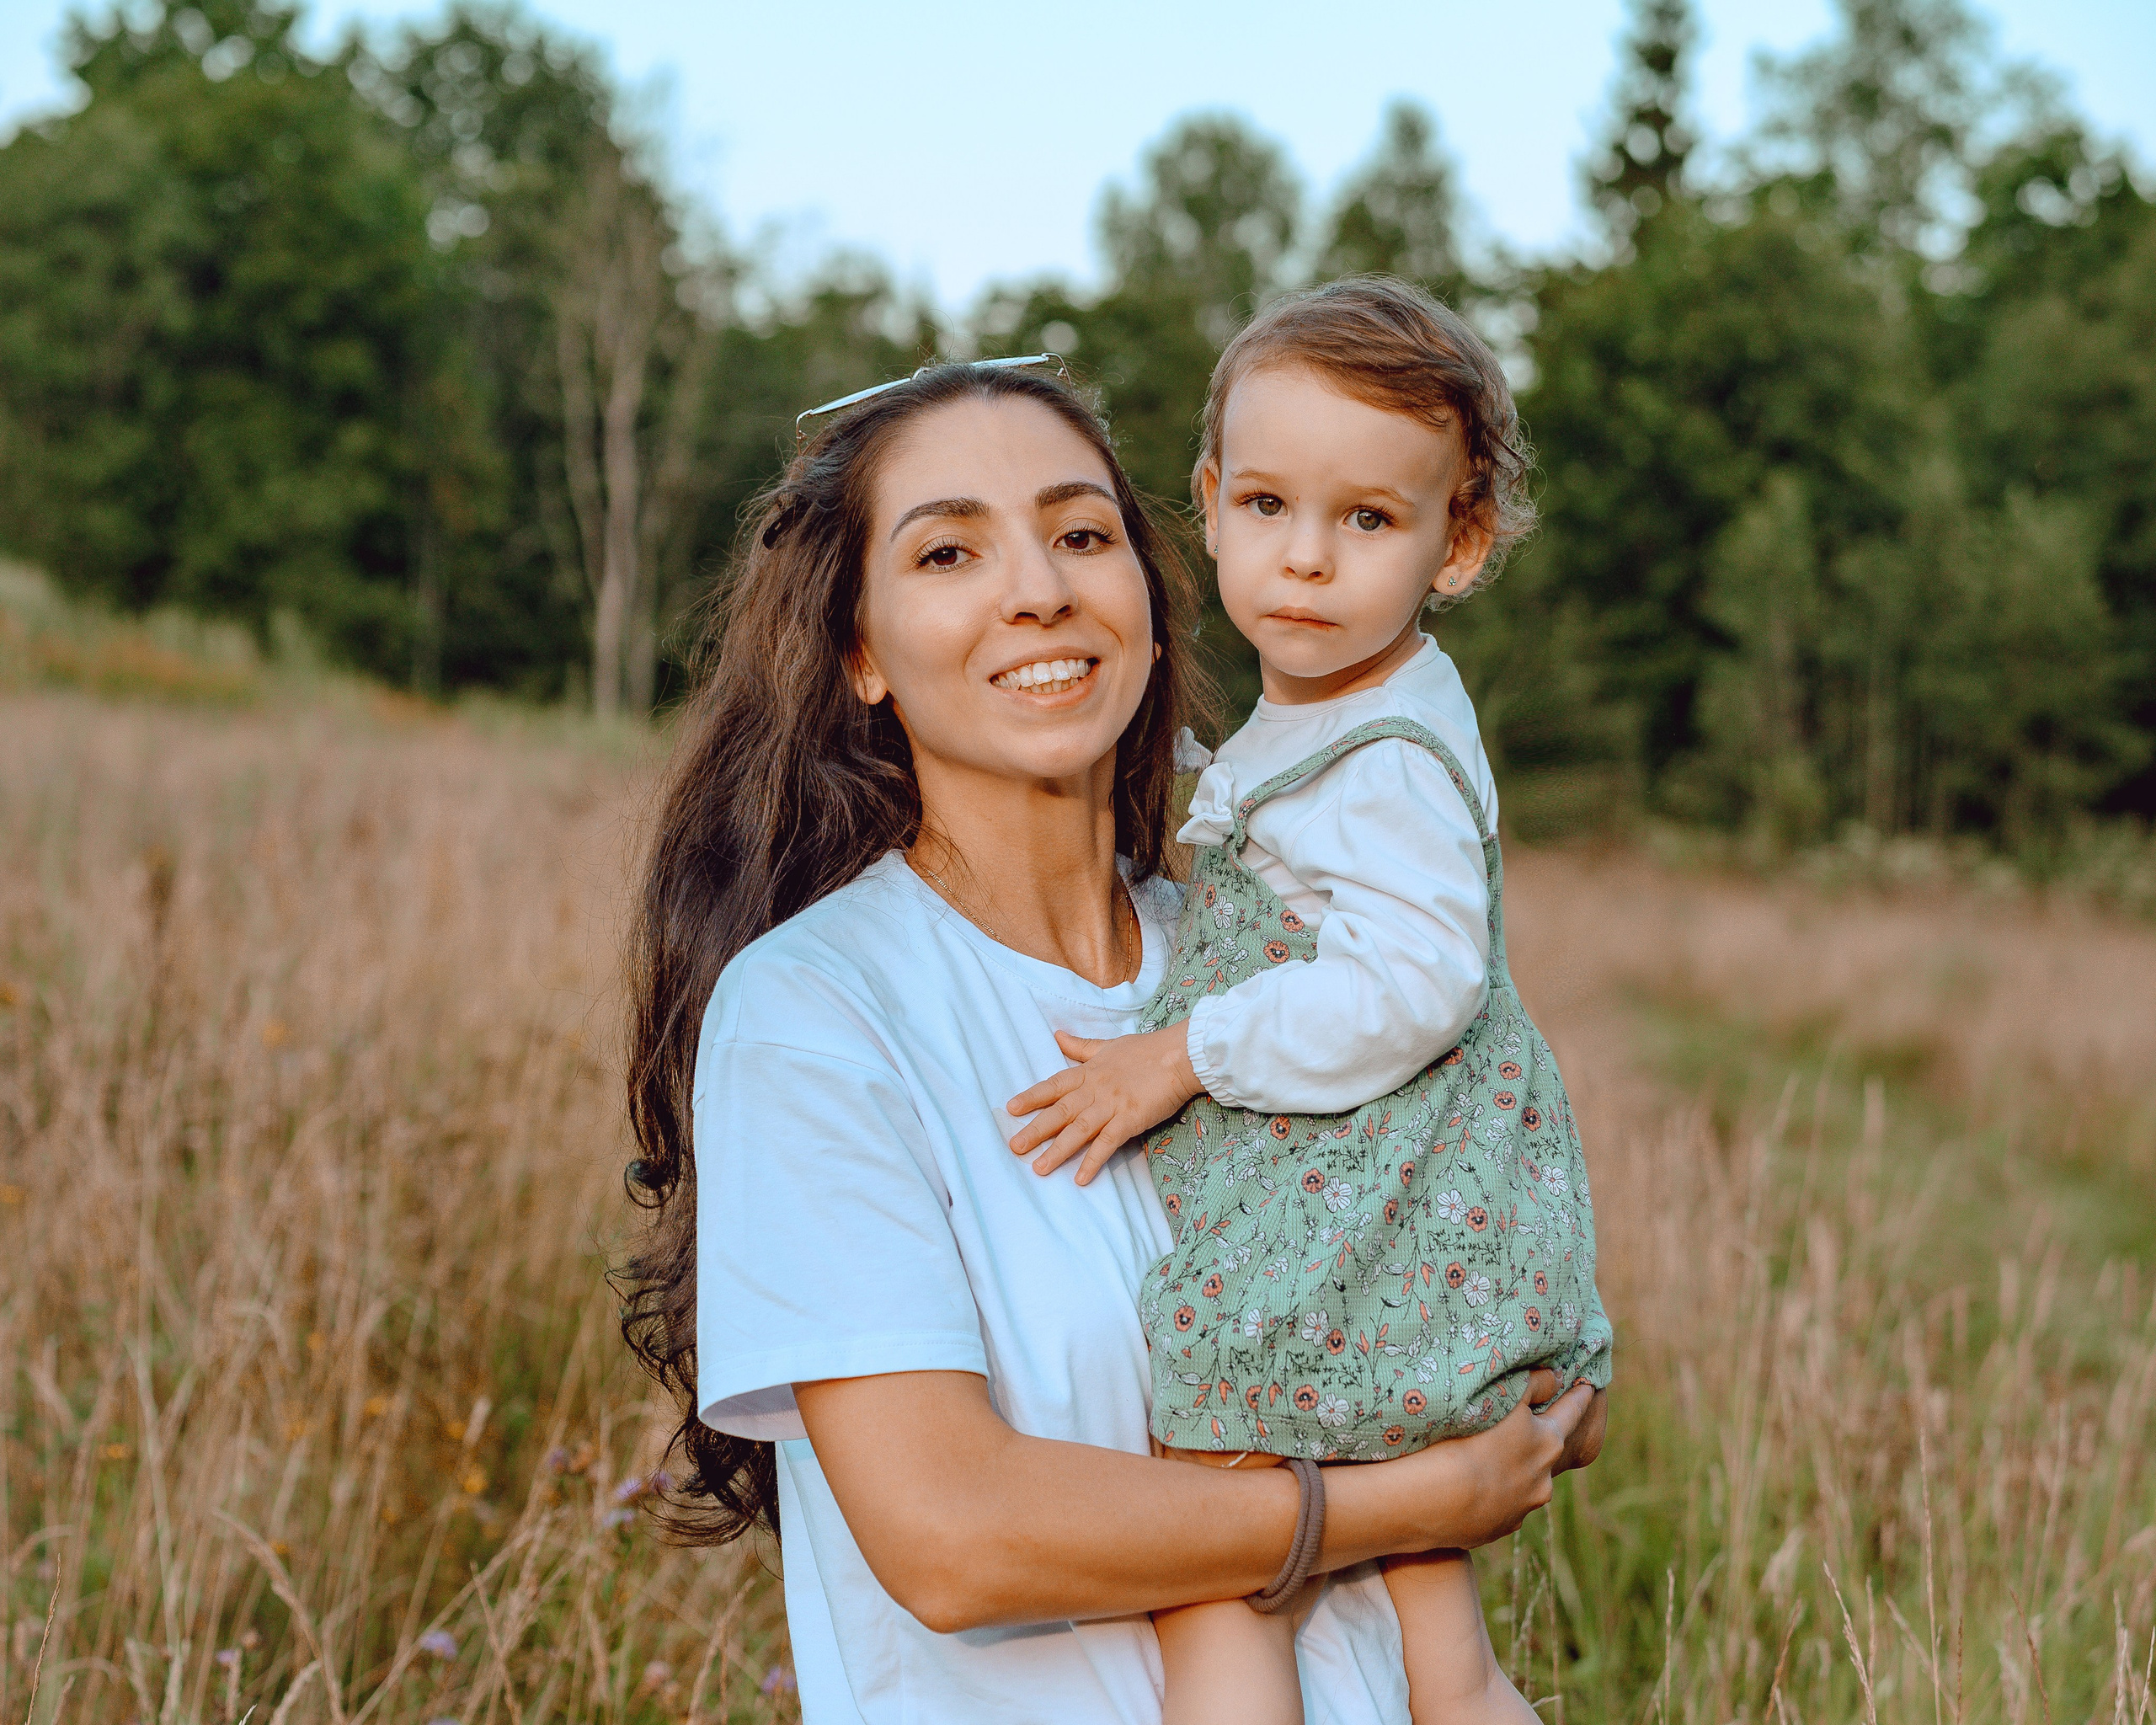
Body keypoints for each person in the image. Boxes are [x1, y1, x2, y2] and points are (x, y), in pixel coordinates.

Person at [616, 355, 1604, 1725]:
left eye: (1083, 535)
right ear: (859, 649)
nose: (1040, 588)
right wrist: (1413, 1502)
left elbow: (1497, 1296)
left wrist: (1526, 1389)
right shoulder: (819, 1013)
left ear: (1147, 595)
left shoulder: (1280, 947)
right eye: (951, 550)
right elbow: (957, 1538)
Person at [1005, 280, 1614, 1725]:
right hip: (1375, 1206)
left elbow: (1413, 982)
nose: (1305, 561)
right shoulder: (1340, 707)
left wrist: (1183, 1056)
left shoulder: (1389, 750)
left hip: (1361, 1213)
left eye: (1368, 521)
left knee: (1214, 1535)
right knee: (1437, 1636)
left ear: (1454, 544)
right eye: (1269, 504)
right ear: (1208, 504)